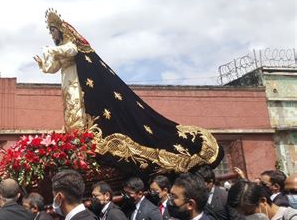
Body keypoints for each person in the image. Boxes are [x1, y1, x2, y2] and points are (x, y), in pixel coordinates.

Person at [35, 9, 223, 176]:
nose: (52, 34)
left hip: (78, 84)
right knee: (71, 115)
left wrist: (52, 49)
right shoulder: (60, 49)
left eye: (53, 30)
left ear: (62, 29)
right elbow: (54, 66)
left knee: (80, 112)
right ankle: (77, 145)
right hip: (67, 86)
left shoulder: (72, 44)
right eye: (50, 31)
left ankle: (84, 147)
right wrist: (44, 64)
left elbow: (71, 49)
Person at [227, 180, 297, 220]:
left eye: (250, 212)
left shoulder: (291, 218)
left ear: (263, 201)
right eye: (243, 214)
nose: (247, 217)